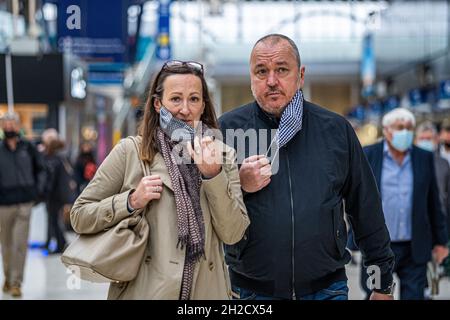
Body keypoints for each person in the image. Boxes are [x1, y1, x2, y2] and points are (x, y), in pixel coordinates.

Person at [219, 34, 395, 300]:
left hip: (326, 289)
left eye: (281, 70)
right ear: (251, 78)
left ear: (300, 75)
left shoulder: (336, 130)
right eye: (261, 71)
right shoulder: (228, 130)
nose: (271, 81)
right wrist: (237, 184)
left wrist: (381, 283)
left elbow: (366, 208)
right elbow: (207, 211)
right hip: (250, 291)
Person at [70, 60, 250, 300]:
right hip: (146, 291)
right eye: (176, 98)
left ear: (203, 105)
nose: (185, 109)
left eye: (194, 99)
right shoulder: (130, 152)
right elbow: (79, 216)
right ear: (158, 104)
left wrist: (213, 175)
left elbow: (233, 234)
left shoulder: (223, 155)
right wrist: (131, 201)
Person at [360, 108, 449, 300]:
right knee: (376, 295)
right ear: (386, 130)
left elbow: (433, 202)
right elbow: (357, 199)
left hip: (414, 246)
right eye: (400, 127)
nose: (405, 132)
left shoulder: (423, 157)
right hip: (378, 248)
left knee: (415, 295)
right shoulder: (369, 155)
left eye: (409, 127)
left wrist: (441, 241)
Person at [0, 112, 46, 298]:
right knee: (7, 244)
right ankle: (8, 277)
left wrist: (37, 191)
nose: (10, 127)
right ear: (3, 127)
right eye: (6, 124)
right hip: (3, 204)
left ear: (19, 126)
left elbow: (41, 169)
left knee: (20, 243)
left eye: (13, 124)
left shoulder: (28, 148)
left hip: (25, 203)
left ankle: (17, 282)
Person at [416, 121, 450, 235]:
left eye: (429, 138)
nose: (425, 141)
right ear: (416, 140)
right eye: (422, 138)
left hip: (440, 223)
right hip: (417, 224)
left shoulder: (444, 164)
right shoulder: (409, 164)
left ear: (436, 140)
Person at [41, 129, 69, 254]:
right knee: (53, 220)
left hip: (55, 195)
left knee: (54, 220)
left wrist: (45, 191)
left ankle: (61, 243)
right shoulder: (58, 157)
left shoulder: (55, 159)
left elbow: (52, 179)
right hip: (57, 194)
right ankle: (58, 242)